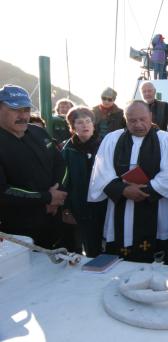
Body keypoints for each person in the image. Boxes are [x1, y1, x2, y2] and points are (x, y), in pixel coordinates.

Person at [87, 100, 168, 265]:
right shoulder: (112, 139)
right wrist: (123, 190)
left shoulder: (165, 140)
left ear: (150, 117)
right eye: (132, 120)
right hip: (120, 208)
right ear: (125, 119)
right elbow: (101, 172)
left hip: (156, 209)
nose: (138, 124)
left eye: (142, 119)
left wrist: (146, 190)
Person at [0, 85, 67, 249]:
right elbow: (3, 191)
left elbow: (60, 164)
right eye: (15, 110)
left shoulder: (38, 132)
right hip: (17, 231)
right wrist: (47, 197)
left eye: (26, 109)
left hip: (53, 220)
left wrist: (56, 194)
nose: (23, 116)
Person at [61, 107, 106, 257]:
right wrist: (66, 209)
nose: (85, 125)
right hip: (80, 206)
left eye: (88, 121)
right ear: (73, 127)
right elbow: (63, 182)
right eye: (79, 122)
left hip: (104, 204)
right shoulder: (67, 151)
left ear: (93, 125)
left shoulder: (105, 146)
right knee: (89, 249)